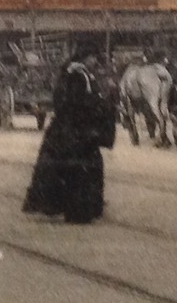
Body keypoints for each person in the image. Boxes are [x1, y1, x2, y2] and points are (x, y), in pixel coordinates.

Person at [23, 50, 116, 222]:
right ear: (85, 57)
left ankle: (61, 204)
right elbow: (79, 102)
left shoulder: (71, 74)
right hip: (77, 131)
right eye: (93, 57)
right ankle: (79, 209)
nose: (95, 61)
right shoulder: (79, 76)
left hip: (65, 130)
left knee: (63, 169)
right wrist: (101, 104)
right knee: (80, 169)